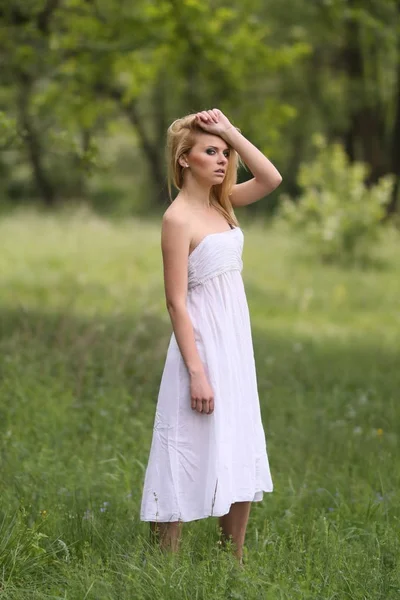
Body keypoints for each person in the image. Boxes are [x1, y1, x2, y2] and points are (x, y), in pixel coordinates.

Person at [140, 108, 282, 564]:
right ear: (184, 159)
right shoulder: (178, 219)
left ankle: (232, 558)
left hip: (235, 342)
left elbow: (271, 178)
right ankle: (165, 561)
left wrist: (230, 131)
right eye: (210, 151)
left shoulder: (222, 204)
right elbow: (176, 302)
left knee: (237, 435)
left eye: (225, 153)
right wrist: (196, 372)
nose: (223, 160)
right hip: (200, 346)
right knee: (184, 441)